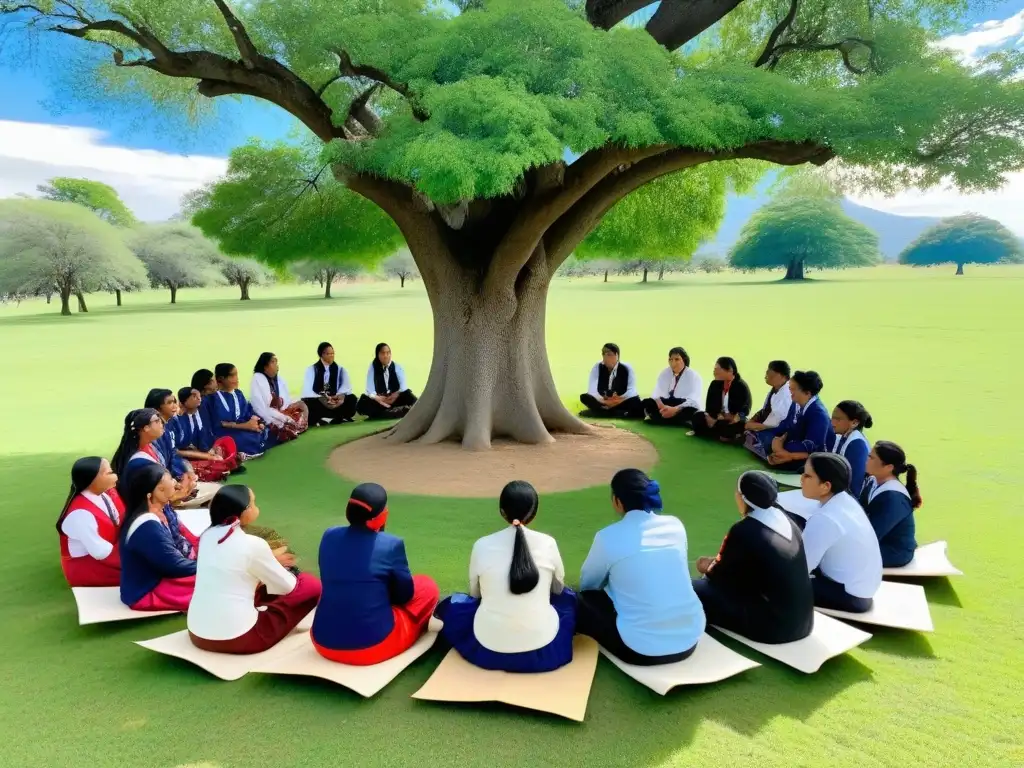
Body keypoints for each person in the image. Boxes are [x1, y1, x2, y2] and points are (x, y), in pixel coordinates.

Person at [435, 481, 576, 673]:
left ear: (502, 512)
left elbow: (475, 594)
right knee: (569, 599)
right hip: (544, 650)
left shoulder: (482, 545)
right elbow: (558, 590)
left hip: (488, 648)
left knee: (454, 605)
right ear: (534, 513)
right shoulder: (548, 543)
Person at [576, 469, 705, 665]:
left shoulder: (608, 536)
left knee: (581, 600)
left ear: (617, 502)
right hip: (690, 639)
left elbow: (589, 583)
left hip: (639, 649)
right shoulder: (676, 525)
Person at [311, 483, 439, 665]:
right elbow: (405, 596)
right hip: (372, 647)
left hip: (322, 642)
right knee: (426, 586)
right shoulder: (390, 544)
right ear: (380, 515)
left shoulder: (329, 535)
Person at [187, 485, 322, 654]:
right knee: (310, 585)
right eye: (253, 503)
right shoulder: (254, 544)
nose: (256, 507)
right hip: (241, 638)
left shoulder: (206, 537)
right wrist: (276, 565)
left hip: (197, 634)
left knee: (259, 584)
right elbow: (287, 587)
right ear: (243, 513)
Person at [692, 472, 814, 643]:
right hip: (803, 624)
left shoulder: (744, 529)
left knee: (690, 588)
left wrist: (706, 565)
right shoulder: (788, 520)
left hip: (772, 629)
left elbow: (717, 576)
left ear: (743, 498)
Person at [799, 453, 883, 613]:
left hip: (849, 596)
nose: (802, 479)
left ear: (826, 486)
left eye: (807, 476)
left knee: (770, 581)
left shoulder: (825, 518)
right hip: (861, 589)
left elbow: (799, 568)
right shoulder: (845, 499)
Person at [112, 409, 199, 558]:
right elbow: (152, 498)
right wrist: (181, 492)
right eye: (157, 421)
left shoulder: (149, 447)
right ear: (145, 428)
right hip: (150, 511)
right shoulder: (139, 461)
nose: (162, 423)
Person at [119, 463, 197, 611]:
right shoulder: (147, 525)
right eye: (170, 481)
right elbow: (174, 565)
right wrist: (208, 565)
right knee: (214, 582)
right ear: (154, 493)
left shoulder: (156, 512)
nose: (175, 483)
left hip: (158, 577)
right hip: (146, 592)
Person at [56, 457, 124, 587]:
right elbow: (100, 552)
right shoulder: (80, 514)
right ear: (92, 479)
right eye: (109, 473)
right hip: (89, 569)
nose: (115, 476)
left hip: (107, 560)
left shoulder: (103, 495)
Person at [860, 441, 921, 568]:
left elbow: (874, 534)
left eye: (871, 457)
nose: (867, 459)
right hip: (880, 543)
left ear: (888, 467)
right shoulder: (873, 482)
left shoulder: (893, 497)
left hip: (895, 552)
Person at [760, 371, 831, 470]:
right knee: (766, 436)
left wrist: (781, 449)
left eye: (793, 389)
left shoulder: (819, 414)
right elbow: (786, 424)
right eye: (790, 388)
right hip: (792, 441)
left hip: (807, 453)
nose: (790, 392)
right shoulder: (796, 402)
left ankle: (780, 457)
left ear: (807, 393)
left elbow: (812, 446)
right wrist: (777, 438)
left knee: (787, 448)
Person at [170, 387, 242, 481]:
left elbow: (196, 440)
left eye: (199, 396)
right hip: (178, 458)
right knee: (189, 467)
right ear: (183, 401)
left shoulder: (196, 414)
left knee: (226, 442)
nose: (199, 398)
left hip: (194, 451)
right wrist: (207, 455)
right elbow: (175, 451)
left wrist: (213, 448)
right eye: (194, 396)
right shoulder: (175, 421)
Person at [210, 363, 272, 458]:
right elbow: (220, 423)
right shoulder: (214, 398)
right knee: (241, 439)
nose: (236, 378)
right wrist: (246, 426)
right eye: (232, 375)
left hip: (243, 428)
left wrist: (258, 422)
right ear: (221, 378)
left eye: (236, 375)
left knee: (264, 429)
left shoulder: (238, 394)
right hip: (226, 431)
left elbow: (248, 412)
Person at [250, 352, 309, 443]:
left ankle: (295, 426)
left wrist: (286, 410)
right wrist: (284, 418)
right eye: (273, 362)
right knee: (284, 425)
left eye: (276, 362)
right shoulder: (258, 379)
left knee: (302, 405)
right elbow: (264, 408)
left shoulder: (278, 379)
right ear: (265, 367)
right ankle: (292, 428)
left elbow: (285, 400)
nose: (277, 366)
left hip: (279, 411)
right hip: (267, 415)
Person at [690, 357, 752, 442]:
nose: (714, 372)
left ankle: (718, 434)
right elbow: (709, 407)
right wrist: (713, 417)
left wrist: (729, 418)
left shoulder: (741, 386)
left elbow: (745, 410)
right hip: (717, 418)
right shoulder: (715, 383)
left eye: (717, 369)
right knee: (697, 416)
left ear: (729, 370)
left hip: (732, 420)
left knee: (731, 427)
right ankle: (721, 435)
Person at [579, 343, 644, 419]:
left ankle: (601, 412)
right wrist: (605, 401)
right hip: (603, 401)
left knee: (635, 402)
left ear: (616, 355)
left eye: (609, 354)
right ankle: (619, 413)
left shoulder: (626, 367)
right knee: (585, 397)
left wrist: (617, 400)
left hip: (621, 400)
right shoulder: (597, 367)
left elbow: (631, 391)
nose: (605, 357)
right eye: (603, 354)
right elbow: (592, 390)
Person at [642, 347, 703, 426]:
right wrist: (662, 406)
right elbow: (656, 394)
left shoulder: (694, 376)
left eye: (677, 359)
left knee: (691, 411)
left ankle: (658, 418)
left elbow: (693, 401)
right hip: (666, 403)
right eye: (670, 360)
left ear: (684, 360)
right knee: (647, 402)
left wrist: (675, 409)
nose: (673, 362)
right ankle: (669, 419)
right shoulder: (665, 372)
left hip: (682, 405)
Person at [743, 361, 793, 457]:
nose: (766, 376)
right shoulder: (776, 389)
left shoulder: (786, 394)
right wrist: (753, 421)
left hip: (779, 431)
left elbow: (778, 423)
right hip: (768, 426)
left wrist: (756, 426)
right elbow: (765, 409)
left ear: (781, 376)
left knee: (763, 439)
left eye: (770, 374)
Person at [357, 343, 418, 420]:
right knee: (362, 402)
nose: (386, 356)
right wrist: (378, 398)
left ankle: (384, 414)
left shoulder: (397, 366)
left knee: (408, 395)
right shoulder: (373, 367)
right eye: (383, 353)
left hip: (395, 398)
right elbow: (370, 389)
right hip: (380, 400)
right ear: (377, 355)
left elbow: (403, 387)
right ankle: (395, 412)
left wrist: (396, 394)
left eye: (388, 353)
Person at [301, 342, 357, 425]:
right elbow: (307, 391)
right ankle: (328, 418)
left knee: (352, 398)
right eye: (328, 354)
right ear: (322, 354)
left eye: (332, 353)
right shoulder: (312, 369)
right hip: (319, 400)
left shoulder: (340, 369)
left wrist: (339, 396)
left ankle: (334, 417)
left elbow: (346, 386)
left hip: (335, 400)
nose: (331, 356)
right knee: (309, 403)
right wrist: (323, 398)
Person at [143, 388, 191, 480]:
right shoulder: (154, 432)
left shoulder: (168, 425)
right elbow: (160, 463)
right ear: (157, 407)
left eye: (174, 401)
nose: (175, 406)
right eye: (169, 403)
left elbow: (173, 455)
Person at [828, 400, 873, 497]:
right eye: (832, 417)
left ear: (854, 423)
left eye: (838, 419)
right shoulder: (842, 436)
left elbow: (855, 487)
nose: (832, 422)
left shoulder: (857, 446)